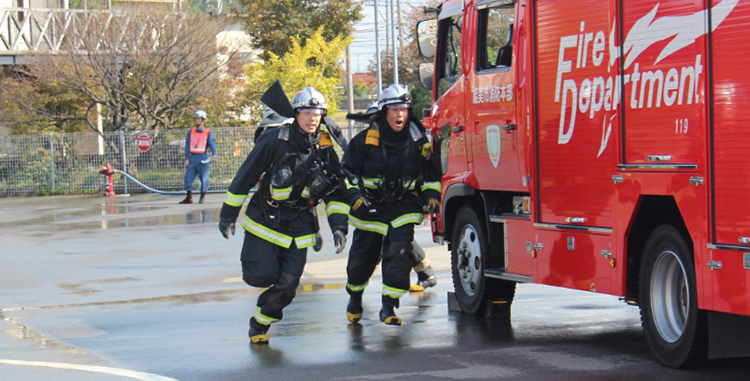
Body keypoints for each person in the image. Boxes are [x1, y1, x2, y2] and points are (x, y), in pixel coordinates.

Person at [218, 87, 349, 344]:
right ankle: (263, 304)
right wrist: (228, 216)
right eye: (308, 112)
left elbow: (336, 194)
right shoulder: (275, 140)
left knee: (288, 286)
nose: (313, 118)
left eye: (318, 114)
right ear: (296, 113)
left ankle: (260, 322)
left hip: (299, 226)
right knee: (261, 275)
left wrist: (339, 227)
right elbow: (245, 176)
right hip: (265, 220)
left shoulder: (325, 148)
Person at [342, 84, 442, 325]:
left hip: (403, 205)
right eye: (395, 109)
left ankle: (389, 307)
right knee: (362, 259)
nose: (400, 115)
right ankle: (355, 298)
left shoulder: (419, 141)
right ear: (384, 111)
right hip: (371, 206)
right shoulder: (365, 140)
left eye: (405, 110)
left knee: (398, 254)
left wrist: (431, 195)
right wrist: (356, 197)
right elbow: (347, 173)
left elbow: (432, 175)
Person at [179, 110, 217, 204]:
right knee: (188, 177)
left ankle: (202, 196)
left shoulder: (207, 132)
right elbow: (187, 145)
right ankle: (189, 197)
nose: (196, 120)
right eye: (195, 118)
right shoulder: (191, 131)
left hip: (203, 157)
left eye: (198, 118)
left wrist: (214, 154)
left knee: (204, 178)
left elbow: (212, 144)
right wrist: (187, 158)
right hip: (193, 157)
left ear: (203, 120)